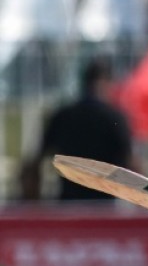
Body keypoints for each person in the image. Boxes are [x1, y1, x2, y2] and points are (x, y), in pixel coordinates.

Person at [19, 57, 135, 201]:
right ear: (108, 83)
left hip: (69, 206)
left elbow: (33, 164)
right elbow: (133, 167)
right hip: (105, 208)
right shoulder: (114, 118)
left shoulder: (63, 116)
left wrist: (33, 204)